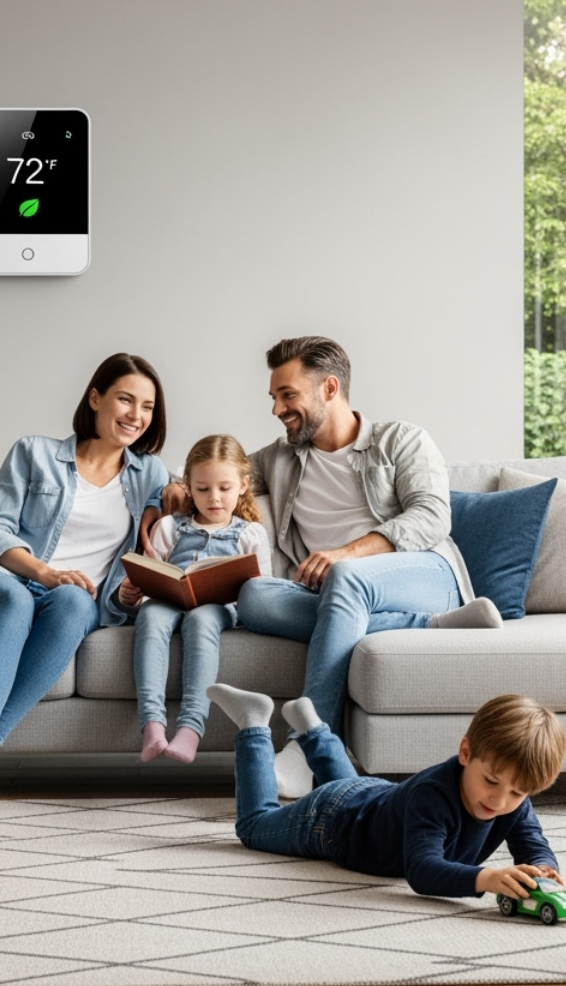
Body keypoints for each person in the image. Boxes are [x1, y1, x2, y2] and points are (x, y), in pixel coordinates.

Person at [236, 335, 503, 797]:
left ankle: (305, 747)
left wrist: (346, 554)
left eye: (287, 395)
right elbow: (218, 472)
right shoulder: (279, 458)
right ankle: (432, 626)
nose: (277, 409)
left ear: (330, 388)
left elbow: (431, 517)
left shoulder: (400, 440)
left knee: (345, 578)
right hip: (333, 595)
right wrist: (173, 490)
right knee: (252, 596)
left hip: (420, 573)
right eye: (274, 397)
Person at [0, 353, 171, 824]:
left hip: (70, 599)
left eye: (147, 406)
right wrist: (43, 572)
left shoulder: (152, 476)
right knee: (17, 597)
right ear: (96, 398)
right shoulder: (34, 452)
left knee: (75, 604)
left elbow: (155, 543)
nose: (135, 415)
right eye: (125, 399)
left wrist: (128, 591)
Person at [206, 686, 566, 898]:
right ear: (466, 753)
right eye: (491, 782)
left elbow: (533, 843)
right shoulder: (434, 797)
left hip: (372, 796)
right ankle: (253, 722)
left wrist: (543, 869)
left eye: (518, 792)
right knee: (254, 827)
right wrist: (485, 878)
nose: (500, 801)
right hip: (330, 821)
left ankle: (312, 729)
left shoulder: (513, 802)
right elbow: (422, 870)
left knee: (351, 791)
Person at [125, 434, 272, 764]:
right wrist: (132, 594)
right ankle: (152, 726)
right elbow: (151, 575)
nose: (214, 498)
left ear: (243, 485)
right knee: (151, 616)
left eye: (224, 488)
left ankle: (190, 730)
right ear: (188, 487)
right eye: (203, 489)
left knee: (201, 618)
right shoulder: (169, 527)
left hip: (219, 608)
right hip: (168, 600)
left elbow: (263, 592)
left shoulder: (250, 533)